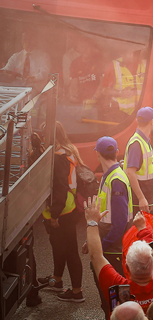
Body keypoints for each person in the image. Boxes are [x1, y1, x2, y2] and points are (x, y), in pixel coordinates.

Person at [85, 202, 153, 318]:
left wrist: (92, 222)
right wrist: (143, 230)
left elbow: (96, 256)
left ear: (127, 267)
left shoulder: (116, 284)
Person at [38, 123, 84, 301]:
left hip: (63, 211)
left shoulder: (58, 157)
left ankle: (77, 291)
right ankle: (57, 281)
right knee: (58, 246)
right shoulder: (69, 151)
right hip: (70, 208)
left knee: (70, 251)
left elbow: (60, 188)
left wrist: (55, 215)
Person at [85, 137, 133, 309]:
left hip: (113, 251)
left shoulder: (115, 180)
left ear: (97, 154)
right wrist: (92, 241)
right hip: (110, 248)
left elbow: (119, 223)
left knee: (114, 304)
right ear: (116, 152)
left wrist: (100, 247)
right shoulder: (111, 175)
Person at [124, 107, 153, 214]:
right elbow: (130, 172)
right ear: (152, 122)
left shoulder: (142, 141)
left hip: (142, 198)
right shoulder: (137, 144)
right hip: (137, 201)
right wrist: (141, 198)